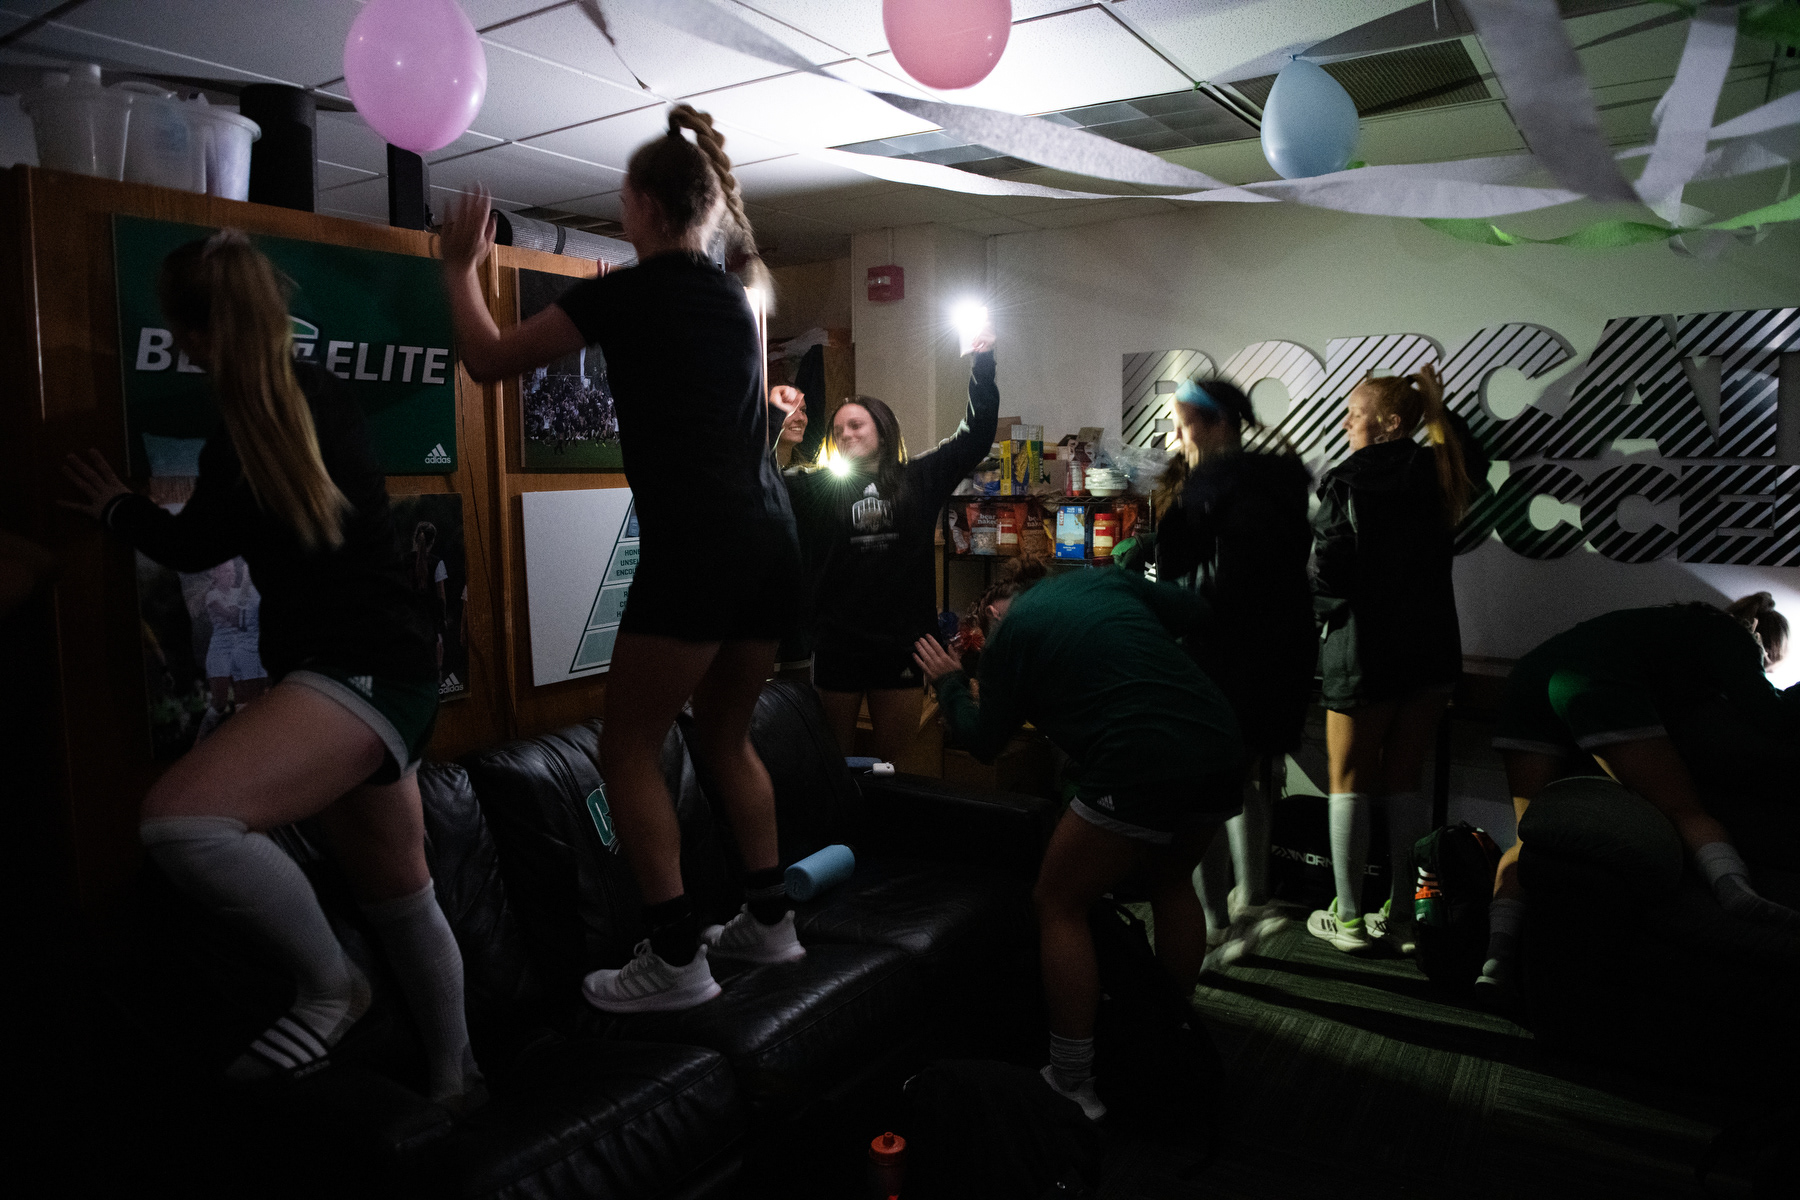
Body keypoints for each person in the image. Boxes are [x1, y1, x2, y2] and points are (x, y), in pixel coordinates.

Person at [60, 231, 480, 1106]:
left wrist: (117, 510)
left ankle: (332, 985)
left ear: (201, 333)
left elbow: (193, 542)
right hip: (386, 673)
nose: (180, 350)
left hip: (357, 675)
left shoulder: (261, 430)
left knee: (178, 821)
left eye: (184, 334)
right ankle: (458, 1085)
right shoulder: (305, 403)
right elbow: (212, 536)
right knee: (401, 897)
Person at [439, 104, 806, 1013]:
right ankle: (771, 921)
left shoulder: (626, 290)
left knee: (626, 750)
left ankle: (678, 959)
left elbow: (487, 361)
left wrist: (460, 271)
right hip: (772, 541)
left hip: (700, 545)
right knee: (724, 735)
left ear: (639, 204)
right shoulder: (736, 299)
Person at [911, 561, 1244, 1121]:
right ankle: (1167, 1036)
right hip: (1217, 739)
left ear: (995, 613)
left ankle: (1072, 1082)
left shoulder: (1010, 637)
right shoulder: (1102, 580)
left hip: (1139, 756)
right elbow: (1197, 609)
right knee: (1170, 880)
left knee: (1058, 902)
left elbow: (984, 741)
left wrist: (949, 681)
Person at [1482, 596, 1800, 995]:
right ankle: (1739, 895)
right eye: (1767, 663)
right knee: (1684, 809)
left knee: (1529, 837)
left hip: (1528, 679)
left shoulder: (1668, 625)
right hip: (1592, 680)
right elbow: (1771, 715)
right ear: (1763, 642)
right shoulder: (1733, 638)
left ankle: (1495, 958)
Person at [1306, 365, 1482, 955]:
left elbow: (1326, 572)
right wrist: (1437, 407)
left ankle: (1349, 919)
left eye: (1354, 413)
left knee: (1347, 780)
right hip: (1432, 648)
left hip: (1363, 649)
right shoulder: (1441, 471)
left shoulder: (1346, 480)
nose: (1346, 423)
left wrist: (1321, 618)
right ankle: (1403, 916)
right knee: (1405, 779)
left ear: (1388, 423)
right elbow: (1471, 461)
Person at [1138, 379, 1313, 961]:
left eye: (1183, 424)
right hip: (1274, 661)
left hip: (1219, 659)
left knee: (1201, 795)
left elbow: (1210, 578)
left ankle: (1216, 925)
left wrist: (1162, 588)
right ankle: (1252, 901)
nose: (1176, 436)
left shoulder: (1218, 488)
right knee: (1242, 780)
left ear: (1214, 425)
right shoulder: (1276, 481)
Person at [772, 328, 998, 767]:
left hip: (903, 647)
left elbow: (975, 436)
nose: (845, 433)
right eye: (837, 429)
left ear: (882, 427)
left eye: (855, 424)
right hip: (837, 646)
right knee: (833, 768)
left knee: (894, 770)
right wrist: (772, 415)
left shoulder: (918, 478)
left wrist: (982, 364)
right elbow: (756, 475)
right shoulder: (816, 487)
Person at [195, 557, 267, 741]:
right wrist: (245, 582)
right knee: (219, 702)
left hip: (241, 650)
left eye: (233, 571)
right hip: (221, 651)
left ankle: (243, 740)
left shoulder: (240, 592)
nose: (231, 574)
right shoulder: (212, 596)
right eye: (226, 571)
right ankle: (200, 741)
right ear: (216, 575)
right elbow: (235, 617)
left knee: (246, 698)